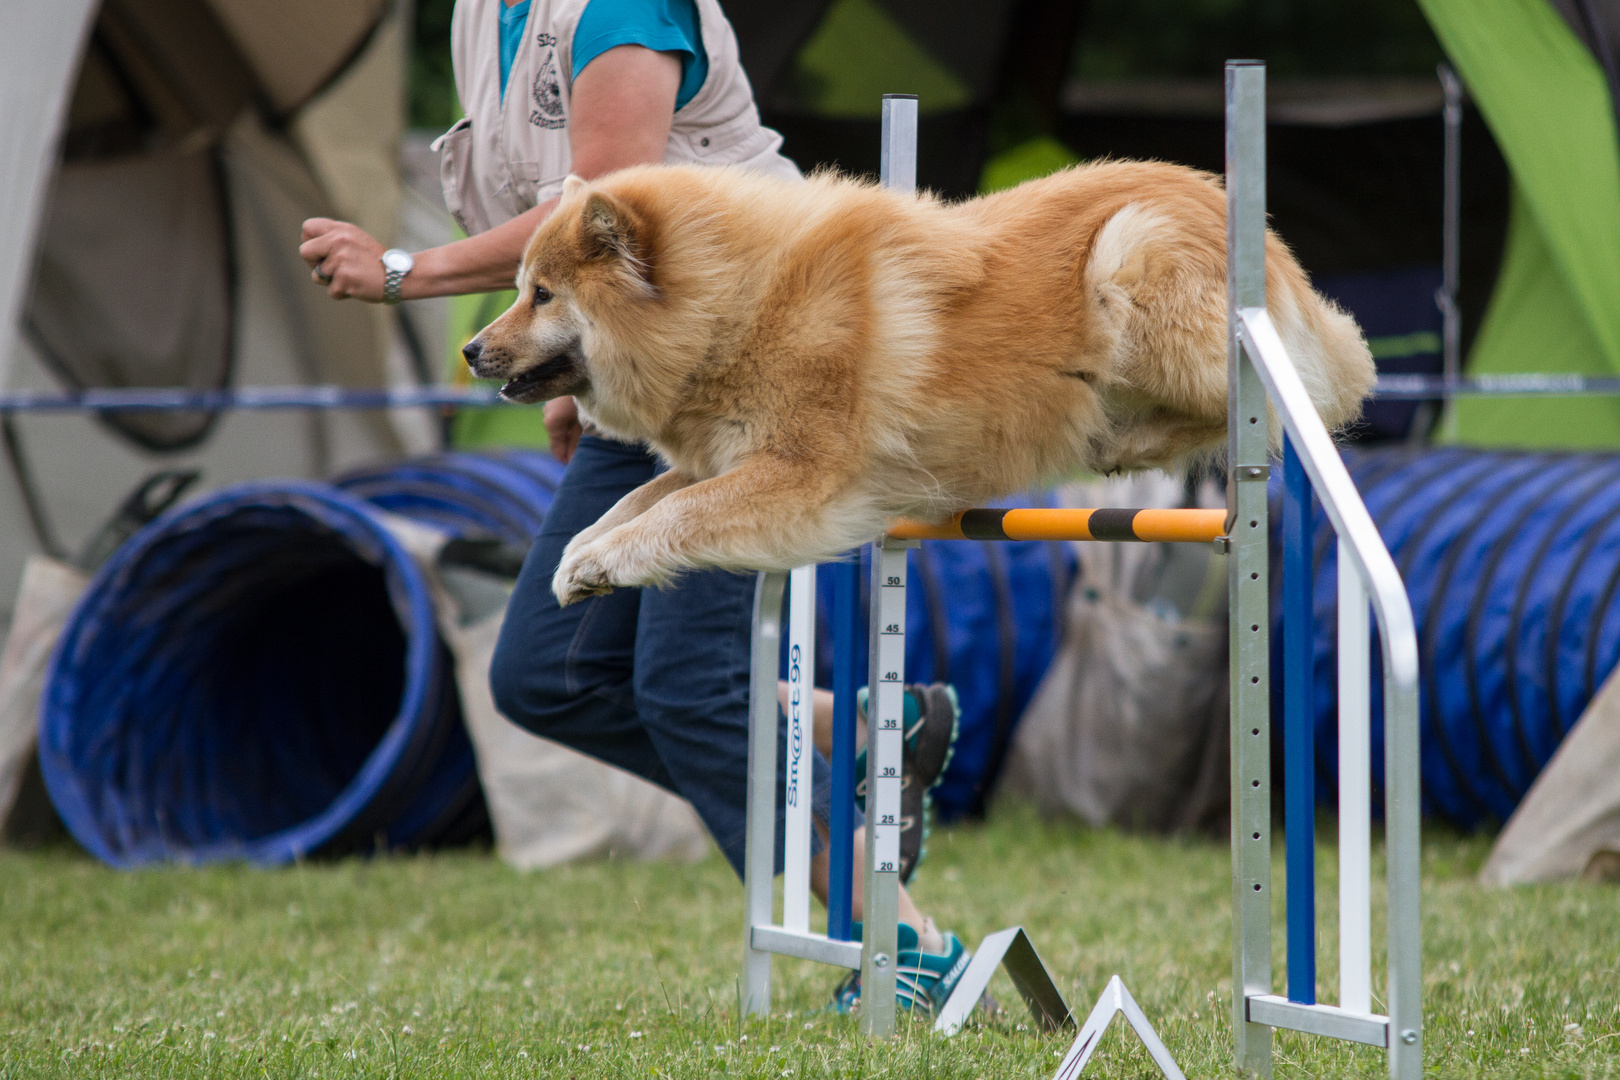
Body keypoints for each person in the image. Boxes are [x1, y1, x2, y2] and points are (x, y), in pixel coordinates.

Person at [298, 0, 965, 1013]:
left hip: (759, 363)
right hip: (646, 372)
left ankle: (904, 943)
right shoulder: (486, 12)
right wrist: (569, 374)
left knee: (689, 687)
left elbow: (603, 207)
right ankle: (860, 727)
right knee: (543, 673)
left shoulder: (621, 9)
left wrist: (409, 270)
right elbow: (572, 258)